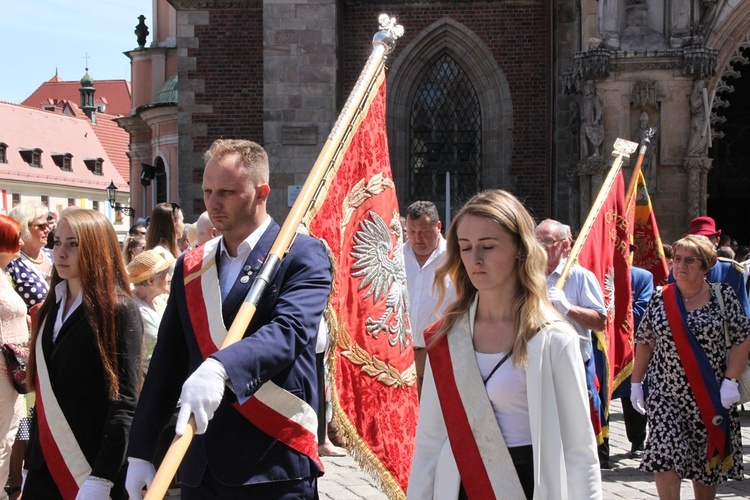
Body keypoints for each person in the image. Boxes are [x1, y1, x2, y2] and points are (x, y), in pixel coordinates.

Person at [126, 139, 332, 498]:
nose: (213, 203)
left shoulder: (302, 254)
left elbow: (291, 331)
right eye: (208, 191)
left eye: (227, 191)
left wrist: (221, 367)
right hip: (199, 466)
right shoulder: (191, 266)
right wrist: (141, 450)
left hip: (271, 464)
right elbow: (167, 363)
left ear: (261, 192)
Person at [408, 190, 601, 500]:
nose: (475, 259)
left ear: (520, 250)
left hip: (528, 483)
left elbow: (579, 448)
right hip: (459, 484)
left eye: (487, 246)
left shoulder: (554, 339)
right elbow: (430, 440)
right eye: (466, 247)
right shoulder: (446, 337)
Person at [22, 209, 143, 499]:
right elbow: (43, 398)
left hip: (89, 466)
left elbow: (124, 402)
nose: (60, 253)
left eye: (73, 244)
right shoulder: (51, 307)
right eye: (57, 242)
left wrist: (102, 478)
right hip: (44, 465)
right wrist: (29, 463)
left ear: (97, 247)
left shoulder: (119, 310)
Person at [631, 235, 750, 499]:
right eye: (676, 259)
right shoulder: (661, 298)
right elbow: (645, 340)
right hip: (666, 395)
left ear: (706, 266)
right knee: (664, 457)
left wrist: (731, 380)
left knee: (704, 468)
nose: (680, 265)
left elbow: (743, 337)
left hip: (711, 394)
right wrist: (636, 384)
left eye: (689, 260)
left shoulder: (723, 297)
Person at [403, 201, 454, 396]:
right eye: (411, 231)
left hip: (440, 354)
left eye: (424, 231)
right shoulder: (397, 256)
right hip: (402, 356)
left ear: (438, 226)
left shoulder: (455, 258)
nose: (417, 238)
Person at [670, 216, 750, 317]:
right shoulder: (679, 270)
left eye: (708, 239)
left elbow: (743, 314)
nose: (702, 245)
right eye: (697, 240)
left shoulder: (731, 270)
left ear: (717, 240)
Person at [0, 215, 27, 500]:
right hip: (1, 374)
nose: (20, 241)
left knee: (7, 441)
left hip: (11, 375)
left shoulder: (4, 273)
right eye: (15, 236)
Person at [621, 264, 654, 459]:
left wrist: (615, 314)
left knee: (634, 391)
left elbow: (642, 309)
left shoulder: (642, 276)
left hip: (633, 342)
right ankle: (601, 447)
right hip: (602, 342)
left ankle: (638, 440)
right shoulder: (596, 272)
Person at [126, 249, 175, 374]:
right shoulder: (137, 311)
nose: (169, 277)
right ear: (151, 281)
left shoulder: (158, 302)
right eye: (165, 273)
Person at [6, 202, 52, 312]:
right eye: (41, 226)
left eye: (47, 225)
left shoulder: (54, 254)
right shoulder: (11, 262)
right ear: (23, 227)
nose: (47, 230)